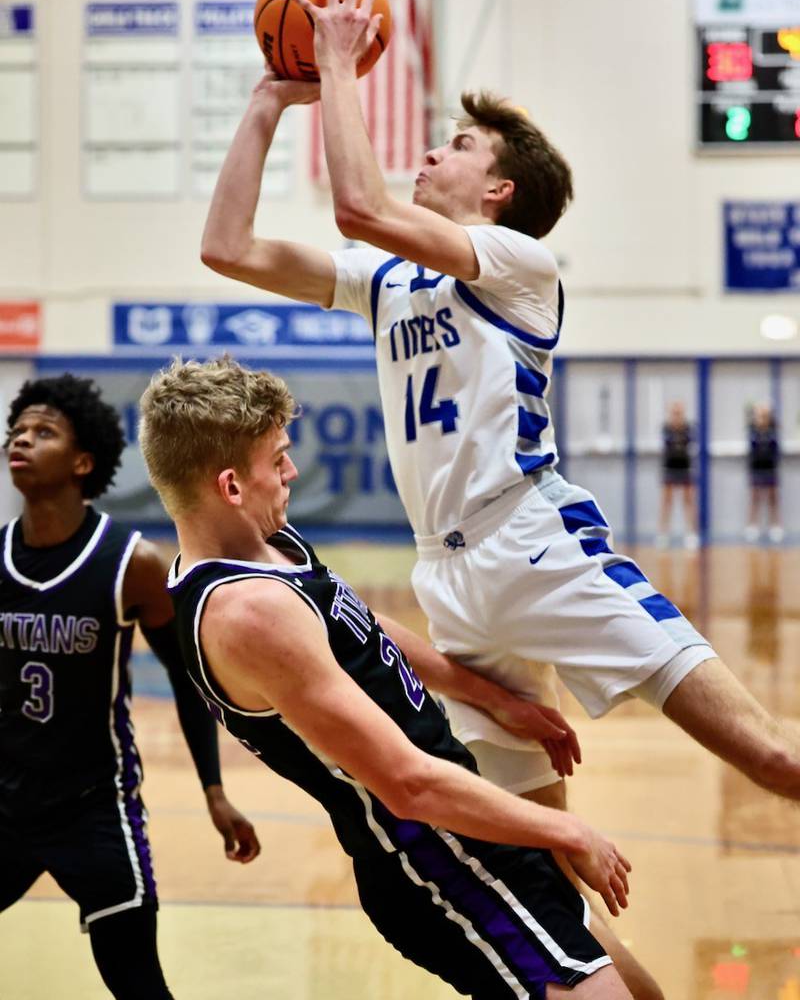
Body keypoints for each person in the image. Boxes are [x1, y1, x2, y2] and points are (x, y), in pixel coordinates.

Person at [200, 0, 800, 996]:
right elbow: (226, 246)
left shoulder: (520, 263)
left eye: (459, 145)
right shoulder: (390, 281)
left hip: (537, 542)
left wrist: (336, 60)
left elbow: (356, 203)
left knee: (766, 758)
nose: (433, 149)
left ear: (497, 194)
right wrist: (266, 99)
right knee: (548, 889)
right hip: (451, 578)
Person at [138, 354, 634, 1000]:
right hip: (436, 860)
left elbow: (362, 626)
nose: (290, 470)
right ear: (230, 486)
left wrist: (487, 696)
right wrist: (569, 829)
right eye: (278, 458)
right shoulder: (246, 614)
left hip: (468, 819)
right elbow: (407, 785)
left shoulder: (270, 546)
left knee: (641, 990)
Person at [0, 373, 260, 1000]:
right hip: (5, 803)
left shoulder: (134, 564)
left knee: (137, 982)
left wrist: (214, 790)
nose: (20, 440)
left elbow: (186, 676)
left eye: (43, 432)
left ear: (82, 461)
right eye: (17, 430)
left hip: (94, 807)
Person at [657, 400, 698, 550]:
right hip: (669, 467)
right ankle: (663, 533)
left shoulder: (688, 428)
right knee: (666, 502)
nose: (677, 416)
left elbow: (688, 445)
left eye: (679, 413)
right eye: (674, 413)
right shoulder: (666, 428)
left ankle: (691, 534)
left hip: (685, 467)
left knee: (688, 502)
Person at [745, 403, 782, 543]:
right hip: (756, 468)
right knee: (755, 498)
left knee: (773, 498)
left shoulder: (773, 432)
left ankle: (775, 525)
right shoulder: (753, 432)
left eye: (765, 416)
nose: (763, 418)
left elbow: (776, 451)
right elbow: (752, 449)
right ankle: (752, 525)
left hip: (770, 468)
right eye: (761, 415)